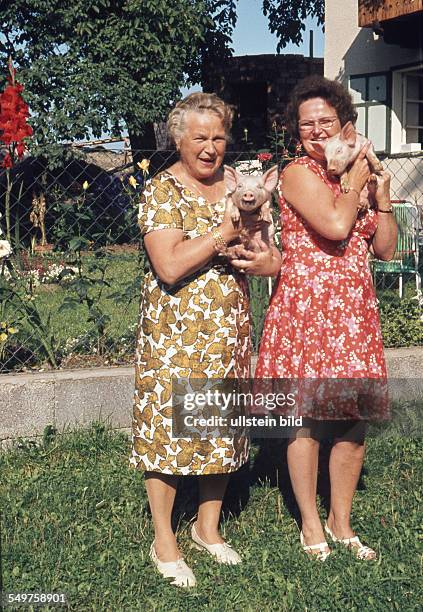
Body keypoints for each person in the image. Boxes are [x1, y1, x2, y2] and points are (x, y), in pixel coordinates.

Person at [130, 92, 281, 587]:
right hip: (176, 335)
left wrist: (264, 262)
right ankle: (164, 539)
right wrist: (222, 233)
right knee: (169, 436)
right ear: (179, 139)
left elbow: (267, 251)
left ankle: (207, 528)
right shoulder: (162, 191)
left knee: (220, 431)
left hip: (230, 332)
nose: (211, 147)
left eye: (219, 137)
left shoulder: (237, 185)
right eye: (200, 137)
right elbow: (169, 265)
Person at [253, 75, 398, 561]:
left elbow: (385, 246)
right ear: (297, 135)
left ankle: (342, 521)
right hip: (307, 311)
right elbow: (336, 226)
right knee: (306, 423)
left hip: (353, 315)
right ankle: (310, 526)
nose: (316, 131)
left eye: (326, 122)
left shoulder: (356, 175)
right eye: (307, 124)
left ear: (346, 126)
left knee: (351, 425)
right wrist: (356, 185)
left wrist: (381, 197)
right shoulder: (298, 174)